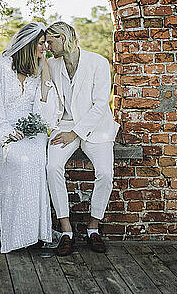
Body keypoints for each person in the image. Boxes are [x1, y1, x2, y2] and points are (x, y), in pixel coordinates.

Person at [0, 22, 61, 254]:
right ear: (28, 44)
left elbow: (45, 104)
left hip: (31, 131)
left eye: (46, 44)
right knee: (20, 162)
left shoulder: (36, 69)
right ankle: (18, 236)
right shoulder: (3, 67)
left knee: (37, 160)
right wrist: (6, 131)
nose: (44, 48)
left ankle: (39, 233)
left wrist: (44, 66)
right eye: (41, 44)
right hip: (5, 129)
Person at [45, 21, 120, 256]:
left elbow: (100, 105)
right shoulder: (50, 64)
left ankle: (93, 228)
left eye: (50, 41)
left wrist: (75, 133)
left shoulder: (98, 62)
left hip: (96, 128)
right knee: (52, 166)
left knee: (106, 173)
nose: (47, 46)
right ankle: (66, 231)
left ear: (63, 39)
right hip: (64, 125)